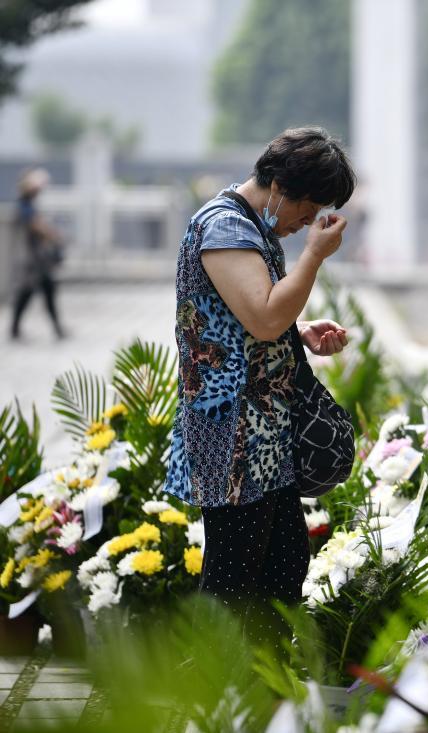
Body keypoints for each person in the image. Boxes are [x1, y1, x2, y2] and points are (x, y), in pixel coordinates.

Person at [163, 127, 356, 650]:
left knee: (282, 564)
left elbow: (249, 320)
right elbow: (265, 319)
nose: (306, 222)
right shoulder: (226, 227)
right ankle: (212, 697)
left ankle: (262, 692)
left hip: (260, 431)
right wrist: (314, 257)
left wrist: (301, 332)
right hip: (232, 435)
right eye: (307, 206)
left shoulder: (250, 226)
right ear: (278, 186)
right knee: (234, 581)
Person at [9, 167, 65, 340]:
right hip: (31, 259)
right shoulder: (24, 205)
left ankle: (54, 328)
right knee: (30, 292)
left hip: (36, 259)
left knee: (41, 291)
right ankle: (16, 329)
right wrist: (53, 235)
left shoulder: (29, 204)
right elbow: (35, 226)